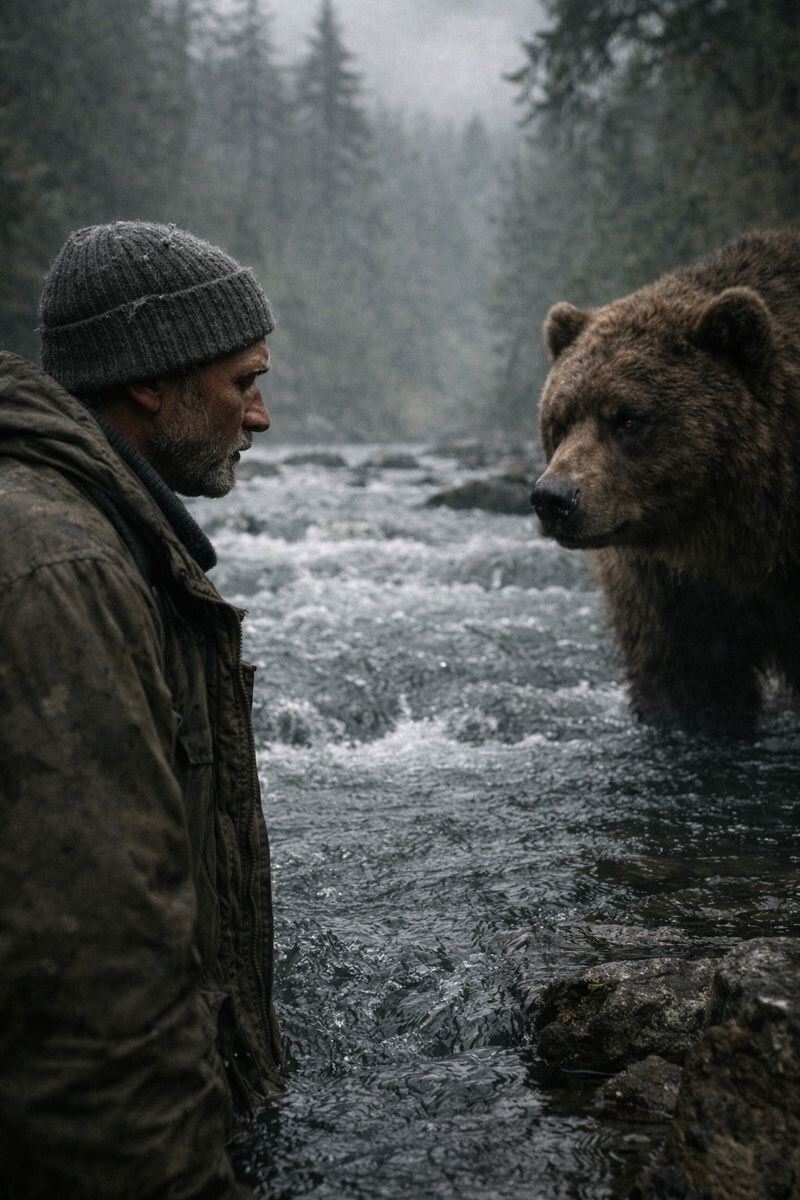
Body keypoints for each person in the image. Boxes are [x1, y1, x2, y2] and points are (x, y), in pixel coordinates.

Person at [0, 221, 283, 1198]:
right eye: (242, 382)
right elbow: (94, 991)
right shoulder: (61, 571)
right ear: (152, 382)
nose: (260, 417)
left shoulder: (82, 535)